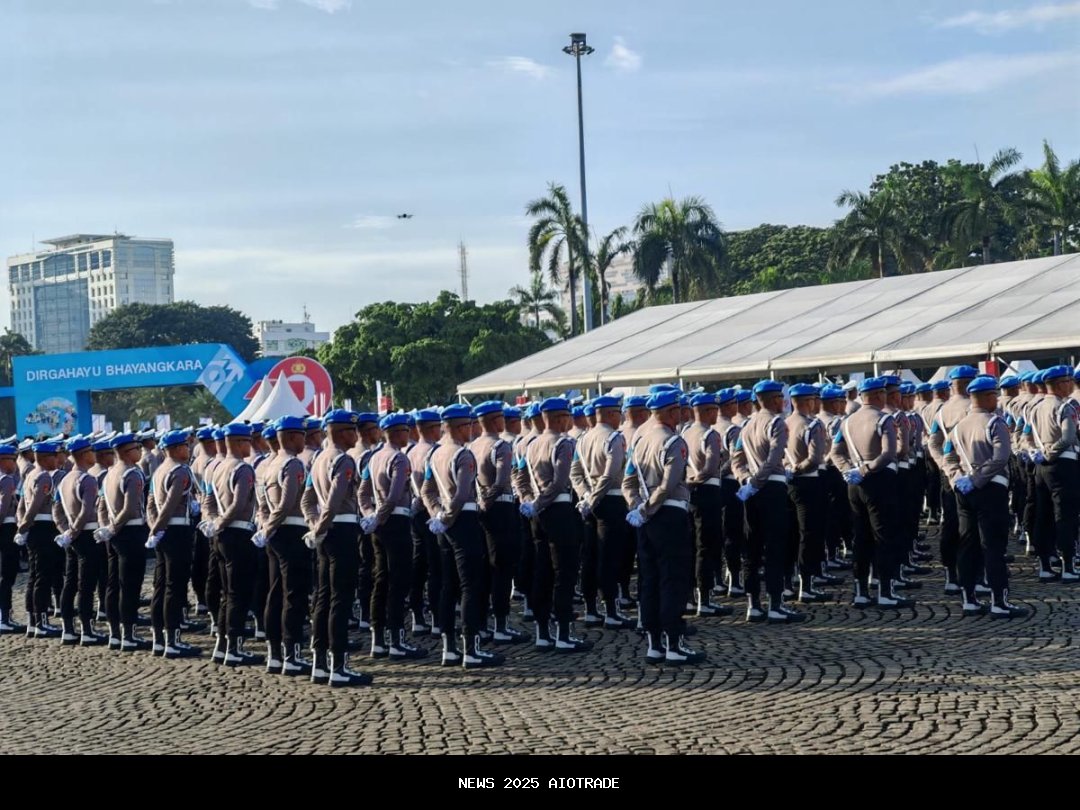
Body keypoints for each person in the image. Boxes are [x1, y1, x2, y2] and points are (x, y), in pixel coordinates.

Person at [421, 403, 505, 667]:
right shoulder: (463, 455)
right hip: (464, 520)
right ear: (460, 427)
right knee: (470, 585)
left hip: (444, 526)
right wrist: (447, 515)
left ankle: (449, 648)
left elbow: (426, 490)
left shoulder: (434, 455)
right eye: (469, 425)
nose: (472, 429)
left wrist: (437, 515)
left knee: (449, 585)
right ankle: (471, 649)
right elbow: (461, 493)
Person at [624, 389, 703, 663]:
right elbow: (669, 484)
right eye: (679, 410)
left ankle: (653, 644)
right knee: (673, 578)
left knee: (651, 580)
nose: (682, 414)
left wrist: (637, 507)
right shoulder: (673, 442)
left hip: (646, 520)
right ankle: (674, 644)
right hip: (668, 516)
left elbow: (628, 482)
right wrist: (646, 508)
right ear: (671, 412)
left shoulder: (640, 441)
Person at [942, 375, 1026, 618]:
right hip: (991, 489)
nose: (996, 399)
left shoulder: (958, 426)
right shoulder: (994, 423)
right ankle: (999, 601)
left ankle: (969, 599)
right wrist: (978, 480)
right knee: (993, 547)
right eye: (994, 395)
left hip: (965, 492)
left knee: (968, 545)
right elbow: (1000, 458)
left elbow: (948, 456)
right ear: (988, 397)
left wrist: (957, 479)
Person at [302, 410, 372, 687]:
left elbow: (308, 500)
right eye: (352, 431)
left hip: (325, 533)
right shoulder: (342, 460)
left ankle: (320, 663)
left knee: (323, 597)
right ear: (343, 432)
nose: (356, 436)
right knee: (339, 599)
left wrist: (313, 526)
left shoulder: (318, 459)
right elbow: (333, 501)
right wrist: (319, 527)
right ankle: (339, 666)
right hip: (340, 530)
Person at [830, 377, 912, 609]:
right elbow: (890, 452)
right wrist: (867, 468)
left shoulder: (846, 422)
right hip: (879, 479)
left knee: (861, 537)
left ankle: (860, 591)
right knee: (883, 536)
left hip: (854, 484)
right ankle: (885, 591)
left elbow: (836, 452)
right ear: (878, 396)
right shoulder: (884, 418)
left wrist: (849, 470)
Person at [520, 397, 590, 653]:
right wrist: (540, 502)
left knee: (543, 571)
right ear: (560, 418)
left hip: (538, 515)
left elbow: (520, 477)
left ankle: (542, 633)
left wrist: (529, 501)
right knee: (564, 572)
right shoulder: (564, 442)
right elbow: (561, 481)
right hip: (558, 510)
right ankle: (562, 633)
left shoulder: (530, 445)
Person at [731, 380, 802, 623]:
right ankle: (775, 604)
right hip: (770, 487)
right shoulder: (776, 423)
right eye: (780, 398)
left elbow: (736, 460)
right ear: (773, 400)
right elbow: (774, 457)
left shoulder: (746, 425)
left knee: (751, 548)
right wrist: (758, 481)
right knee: (774, 547)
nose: (783, 403)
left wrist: (746, 480)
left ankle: (753, 605)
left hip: (750, 490)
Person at [360, 413, 426, 660]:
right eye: (405, 431)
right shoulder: (399, 458)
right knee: (398, 581)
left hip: (379, 524)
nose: (408, 435)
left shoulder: (373, 457)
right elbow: (396, 492)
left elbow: (363, 493)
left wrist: (370, 514)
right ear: (398, 433)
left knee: (381, 580)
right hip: (395, 521)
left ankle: (378, 640)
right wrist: (381, 514)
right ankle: (396, 641)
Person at [570, 394, 635, 629]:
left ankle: (590, 609)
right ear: (609, 414)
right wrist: (594, 498)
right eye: (618, 413)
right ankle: (610, 611)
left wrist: (585, 496)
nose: (621, 418)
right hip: (611, 501)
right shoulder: (614, 438)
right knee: (610, 558)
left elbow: (575, 474)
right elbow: (609, 475)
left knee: (591, 556)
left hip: (590, 503)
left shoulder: (583, 439)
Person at [201, 422, 260, 667]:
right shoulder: (243, 469)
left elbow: (208, 501)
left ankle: (223, 645)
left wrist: (212, 521)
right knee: (238, 593)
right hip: (237, 533)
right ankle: (234, 647)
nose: (250, 445)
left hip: (221, 536)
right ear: (237, 442)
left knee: (226, 593)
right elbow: (238, 503)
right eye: (247, 441)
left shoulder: (215, 469)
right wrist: (221, 522)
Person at [259, 416, 312, 676]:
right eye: (301, 435)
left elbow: (261, 505)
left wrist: (265, 527)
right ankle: (292, 653)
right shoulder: (293, 464)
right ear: (292, 437)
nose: (305, 439)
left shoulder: (269, 465)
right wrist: (270, 526)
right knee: (294, 595)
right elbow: (288, 501)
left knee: (276, 593)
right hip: (291, 531)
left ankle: (275, 654)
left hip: (274, 534)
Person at [470, 401, 526, 643]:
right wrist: (488, 501)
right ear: (496, 421)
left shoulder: (472, 446)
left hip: (478, 510)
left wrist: (480, 503)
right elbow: (503, 480)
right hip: (500, 508)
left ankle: (482, 623)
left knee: (483, 570)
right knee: (502, 568)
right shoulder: (500, 446)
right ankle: (501, 625)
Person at [145, 429, 200, 659]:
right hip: (176, 530)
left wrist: (153, 528)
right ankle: (173, 640)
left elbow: (150, 504)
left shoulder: (159, 471)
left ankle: (159, 637)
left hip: (163, 531)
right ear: (177, 449)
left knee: (161, 585)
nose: (188, 449)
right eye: (186, 446)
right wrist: (159, 527)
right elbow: (170, 503)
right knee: (174, 587)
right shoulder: (180, 470)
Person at [927, 365, 979, 596]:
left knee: (950, 523)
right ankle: (977, 575)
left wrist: (944, 466)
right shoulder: (974, 408)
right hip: (972, 471)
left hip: (949, 473)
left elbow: (933, 443)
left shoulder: (942, 410)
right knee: (974, 526)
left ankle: (951, 575)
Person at [1026, 364, 1080, 582]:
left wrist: (1037, 453)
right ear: (1059, 385)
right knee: (1065, 516)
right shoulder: (1064, 408)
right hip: (1063, 464)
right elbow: (1068, 437)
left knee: (1043, 515)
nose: (1070, 385)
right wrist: (1050, 452)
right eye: (1067, 381)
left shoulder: (1034, 408)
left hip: (1040, 468)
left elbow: (1027, 437)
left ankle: (1044, 566)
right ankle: (1068, 566)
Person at [682, 392, 734, 617]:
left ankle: (691, 597)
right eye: (713, 410)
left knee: (692, 546)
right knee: (707, 546)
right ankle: (706, 598)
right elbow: (712, 466)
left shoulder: (684, 433)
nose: (717, 413)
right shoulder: (710, 435)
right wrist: (697, 480)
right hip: (708, 490)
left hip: (689, 493)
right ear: (706, 411)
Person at [96, 433, 150, 650]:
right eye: (138, 447)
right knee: (130, 585)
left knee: (113, 584)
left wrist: (107, 528)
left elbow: (101, 507)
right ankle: (129, 634)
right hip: (130, 531)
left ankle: (115, 634)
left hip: (114, 534)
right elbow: (129, 508)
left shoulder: (109, 474)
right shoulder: (132, 473)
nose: (140, 451)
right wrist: (113, 527)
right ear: (128, 451)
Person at [53, 436, 103, 646]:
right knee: (86, 585)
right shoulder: (88, 479)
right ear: (84, 454)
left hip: (72, 536)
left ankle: (68, 629)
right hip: (86, 534)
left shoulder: (63, 479)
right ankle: (87, 631)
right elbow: (87, 509)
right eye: (92, 451)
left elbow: (56, 510)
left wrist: (65, 531)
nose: (95, 455)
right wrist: (73, 531)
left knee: (70, 583)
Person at [785, 383, 828, 603]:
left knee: (790, 534)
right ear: (808, 401)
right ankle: (806, 584)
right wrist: (799, 468)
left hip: (787, 483)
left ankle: (787, 582)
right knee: (808, 534)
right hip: (808, 482)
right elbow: (816, 458)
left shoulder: (784, 423)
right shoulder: (811, 425)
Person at [407, 409, 442, 636]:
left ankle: (417, 615)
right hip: (432, 511)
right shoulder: (434, 452)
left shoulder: (409, 451)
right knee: (436, 567)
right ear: (432, 428)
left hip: (414, 512)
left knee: (418, 565)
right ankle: (437, 617)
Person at [349, 412, 382, 632]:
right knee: (368, 565)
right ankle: (366, 612)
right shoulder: (367, 455)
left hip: (352, 515)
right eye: (375, 429)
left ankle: (361, 612)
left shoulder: (350, 453)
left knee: (361, 564)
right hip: (365, 513)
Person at [817, 385, 852, 575]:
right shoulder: (836, 422)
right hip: (833, 469)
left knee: (828, 515)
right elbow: (835, 450)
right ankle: (833, 553)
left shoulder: (815, 420)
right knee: (837, 514)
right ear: (834, 402)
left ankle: (831, 553)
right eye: (842, 401)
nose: (844, 404)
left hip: (821, 471)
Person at [188, 426, 218, 618]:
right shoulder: (210, 463)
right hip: (209, 512)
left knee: (200, 558)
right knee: (208, 560)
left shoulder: (195, 461)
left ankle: (201, 599)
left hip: (199, 511)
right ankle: (206, 599)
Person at [88, 437, 115, 622]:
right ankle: (105, 606)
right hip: (101, 526)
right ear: (105, 456)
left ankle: (102, 605)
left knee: (99, 571)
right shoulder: (104, 475)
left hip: (92, 526)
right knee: (106, 571)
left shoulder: (90, 472)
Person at [0, 444, 23, 634]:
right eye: (12, 459)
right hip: (6, 528)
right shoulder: (6, 480)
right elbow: (4, 506)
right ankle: (4, 618)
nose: (15, 463)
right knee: (6, 575)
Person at [923, 380, 951, 525]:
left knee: (932, 481)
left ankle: (932, 511)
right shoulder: (945, 408)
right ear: (944, 392)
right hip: (943, 447)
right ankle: (944, 511)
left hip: (929, 446)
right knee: (943, 482)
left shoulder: (926, 408)